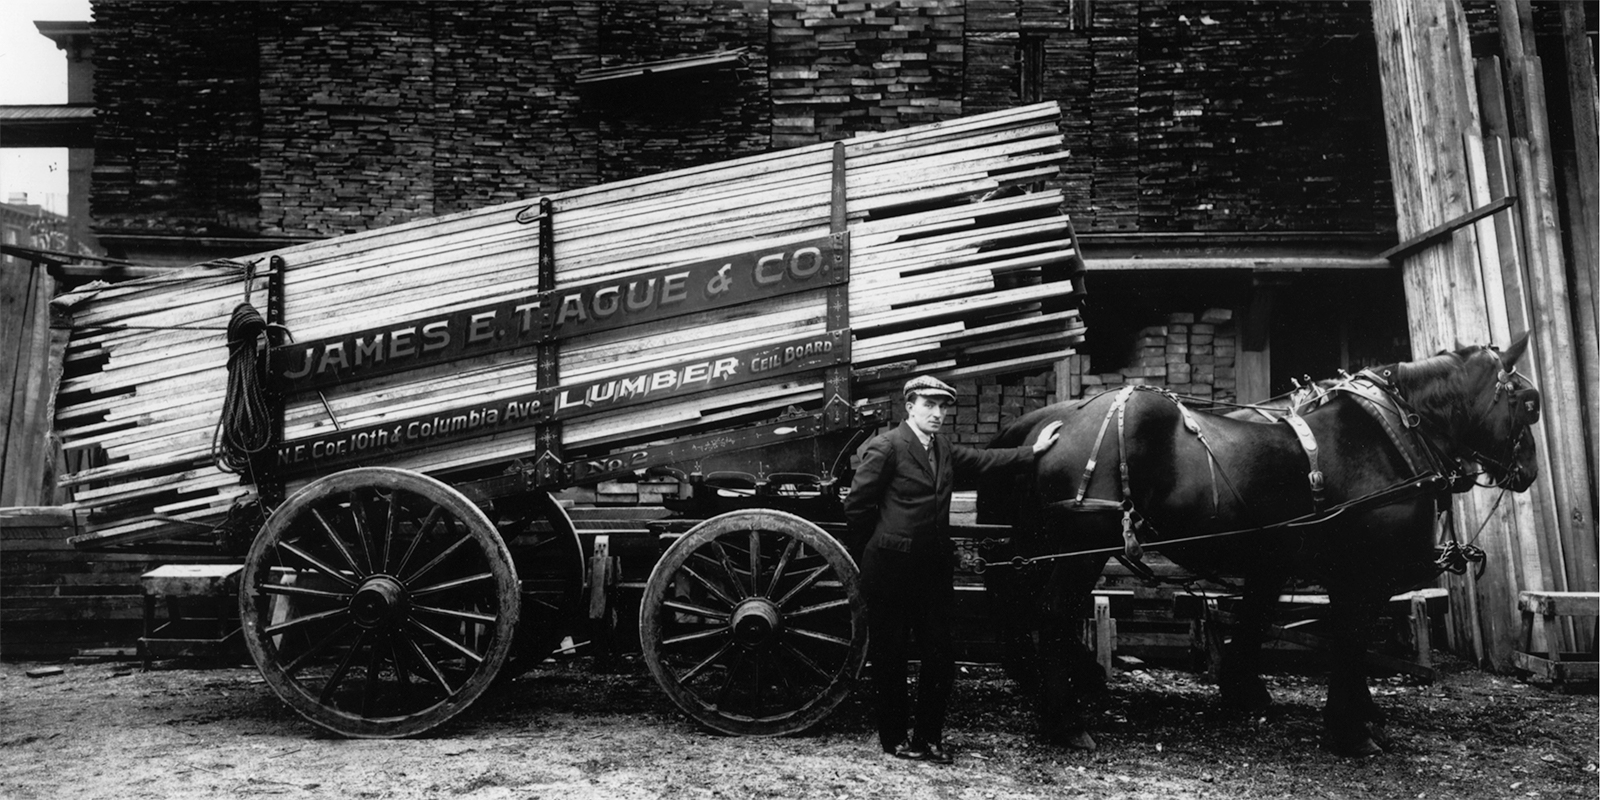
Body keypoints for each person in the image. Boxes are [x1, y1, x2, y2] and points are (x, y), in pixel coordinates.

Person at [844, 375, 1061, 764]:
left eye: (943, 407)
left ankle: (928, 738)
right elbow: (857, 508)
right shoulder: (887, 447)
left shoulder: (942, 447)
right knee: (891, 655)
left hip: (934, 571)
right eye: (929, 405)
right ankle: (894, 739)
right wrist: (874, 552)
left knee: (940, 654)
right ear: (909, 406)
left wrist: (1035, 451)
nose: (938, 413)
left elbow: (985, 461)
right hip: (889, 570)